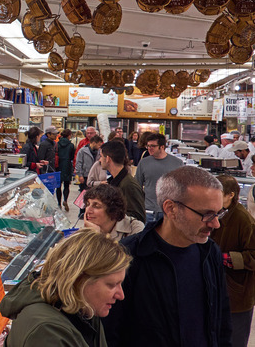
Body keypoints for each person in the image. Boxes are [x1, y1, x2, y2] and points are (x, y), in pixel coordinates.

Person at [103, 166, 232, 347]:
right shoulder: (128, 257)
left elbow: (222, 320)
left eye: (219, 213)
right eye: (207, 214)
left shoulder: (210, 252)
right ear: (171, 209)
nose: (216, 224)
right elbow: (110, 332)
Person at [0, 228, 131, 347]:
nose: (121, 295)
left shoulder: (85, 309)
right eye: (112, 285)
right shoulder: (46, 332)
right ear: (79, 279)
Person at [212, 175, 255, 347]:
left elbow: (253, 256)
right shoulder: (215, 213)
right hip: (216, 289)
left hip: (237, 295)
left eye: (218, 193)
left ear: (230, 195)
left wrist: (224, 258)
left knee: (235, 341)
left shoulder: (244, 221)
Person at [135, 133, 184, 223]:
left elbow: (181, 188)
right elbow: (137, 185)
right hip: (148, 210)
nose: (149, 148)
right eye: (148, 146)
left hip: (168, 211)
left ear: (162, 147)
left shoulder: (177, 163)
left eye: (153, 146)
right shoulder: (143, 163)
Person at [99, 141, 146, 222]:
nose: (99, 160)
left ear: (108, 159)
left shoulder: (128, 185)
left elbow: (138, 218)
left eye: (101, 156)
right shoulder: (115, 181)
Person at [56, 129, 74, 211]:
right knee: (66, 186)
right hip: (67, 166)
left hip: (58, 166)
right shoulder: (71, 145)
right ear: (69, 135)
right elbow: (72, 157)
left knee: (58, 186)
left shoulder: (57, 144)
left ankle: (59, 203)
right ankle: (65, 200)